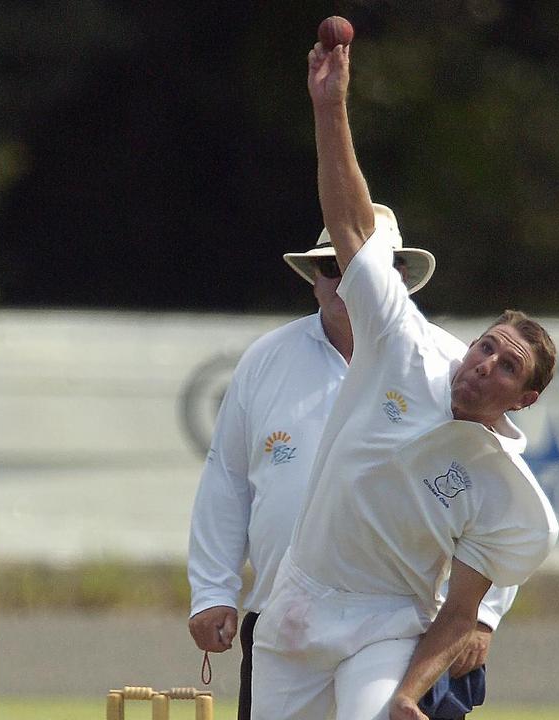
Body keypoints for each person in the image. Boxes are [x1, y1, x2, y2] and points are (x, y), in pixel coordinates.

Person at [247, 41, 559, 720]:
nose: (485, 365)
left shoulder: (512, 495)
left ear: (525, 398)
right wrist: (329, 105)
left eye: (508, 367)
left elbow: (460, 612)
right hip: (299, 603)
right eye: (487, 347)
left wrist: (410, 695)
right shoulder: (402, 343)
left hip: (387, 621)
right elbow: (354, 226)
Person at [188, 205, 517, 720]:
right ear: (314, 279)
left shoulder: (448, 368)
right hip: (281, 615)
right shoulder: (265, 360)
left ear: (398, 279)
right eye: (330, 268)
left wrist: (483, 615)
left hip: (395, 621)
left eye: (360, 269)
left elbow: (499, 497)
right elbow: (227, 481)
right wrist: (212, 589)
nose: (345, 282)